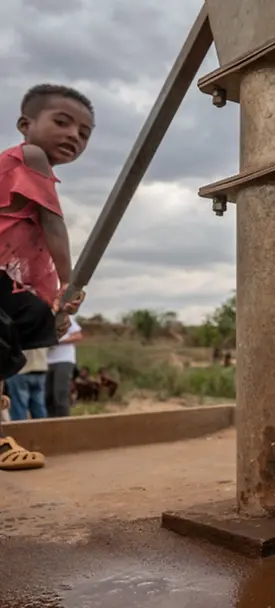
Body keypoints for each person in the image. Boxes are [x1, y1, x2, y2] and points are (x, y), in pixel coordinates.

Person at [0, 83, 93, 471]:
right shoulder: (30, 156)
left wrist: (52, 298)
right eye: (62, 122)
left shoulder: (33, 168)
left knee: (28, 325)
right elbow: (52, 224)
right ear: (26, 124)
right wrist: (71, 285)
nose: (74, 135)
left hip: (8, 280)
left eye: (84, 133)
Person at [47, 316, 82, 416]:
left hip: (64, 359)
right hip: (47, 360)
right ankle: (50, 424)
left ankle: (64, 423)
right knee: (48, 396)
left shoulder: (63, 317)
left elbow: (78, 335)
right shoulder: (43, 318)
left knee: (60, 393)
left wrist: (59, 341)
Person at [6, 348, 47, 420]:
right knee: (39, 407)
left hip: (20, 369)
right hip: (40, 366)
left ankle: (20, 430)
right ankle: (43, 430)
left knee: (19, 408)